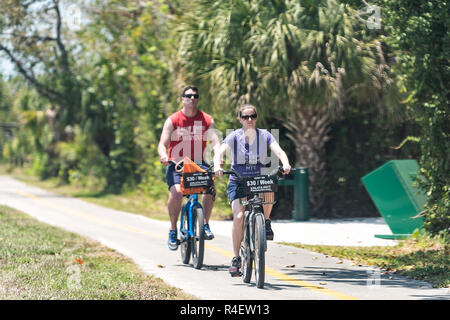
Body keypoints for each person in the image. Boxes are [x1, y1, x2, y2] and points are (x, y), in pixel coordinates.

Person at [214, 104, 291, 276]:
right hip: (239, 181)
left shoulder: (265, 135)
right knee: (239, 217)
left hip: (257, 180)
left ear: (256, 117)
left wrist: (285, 163)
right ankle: (235, 258)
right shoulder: (234, 136)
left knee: (269, 184)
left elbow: (279, 151)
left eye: (252, 116)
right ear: (240, 119)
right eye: (245, 117)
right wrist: (217, 165)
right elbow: (220, 152)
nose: (249, 120)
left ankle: (267, 221)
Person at [158, 85, 220, 250]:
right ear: (182, 99)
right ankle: (173, 229)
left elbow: (215, 141)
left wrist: (218, 156)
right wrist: (163, 155)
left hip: (199, 163)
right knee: (177, 193)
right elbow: (162, 143)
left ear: (198, 99)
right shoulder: (173, 120)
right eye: (188, 95)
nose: (192, 98)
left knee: (210, 189)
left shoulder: (207, 119)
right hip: (177, 164)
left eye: (195, 96)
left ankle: (205, 224)